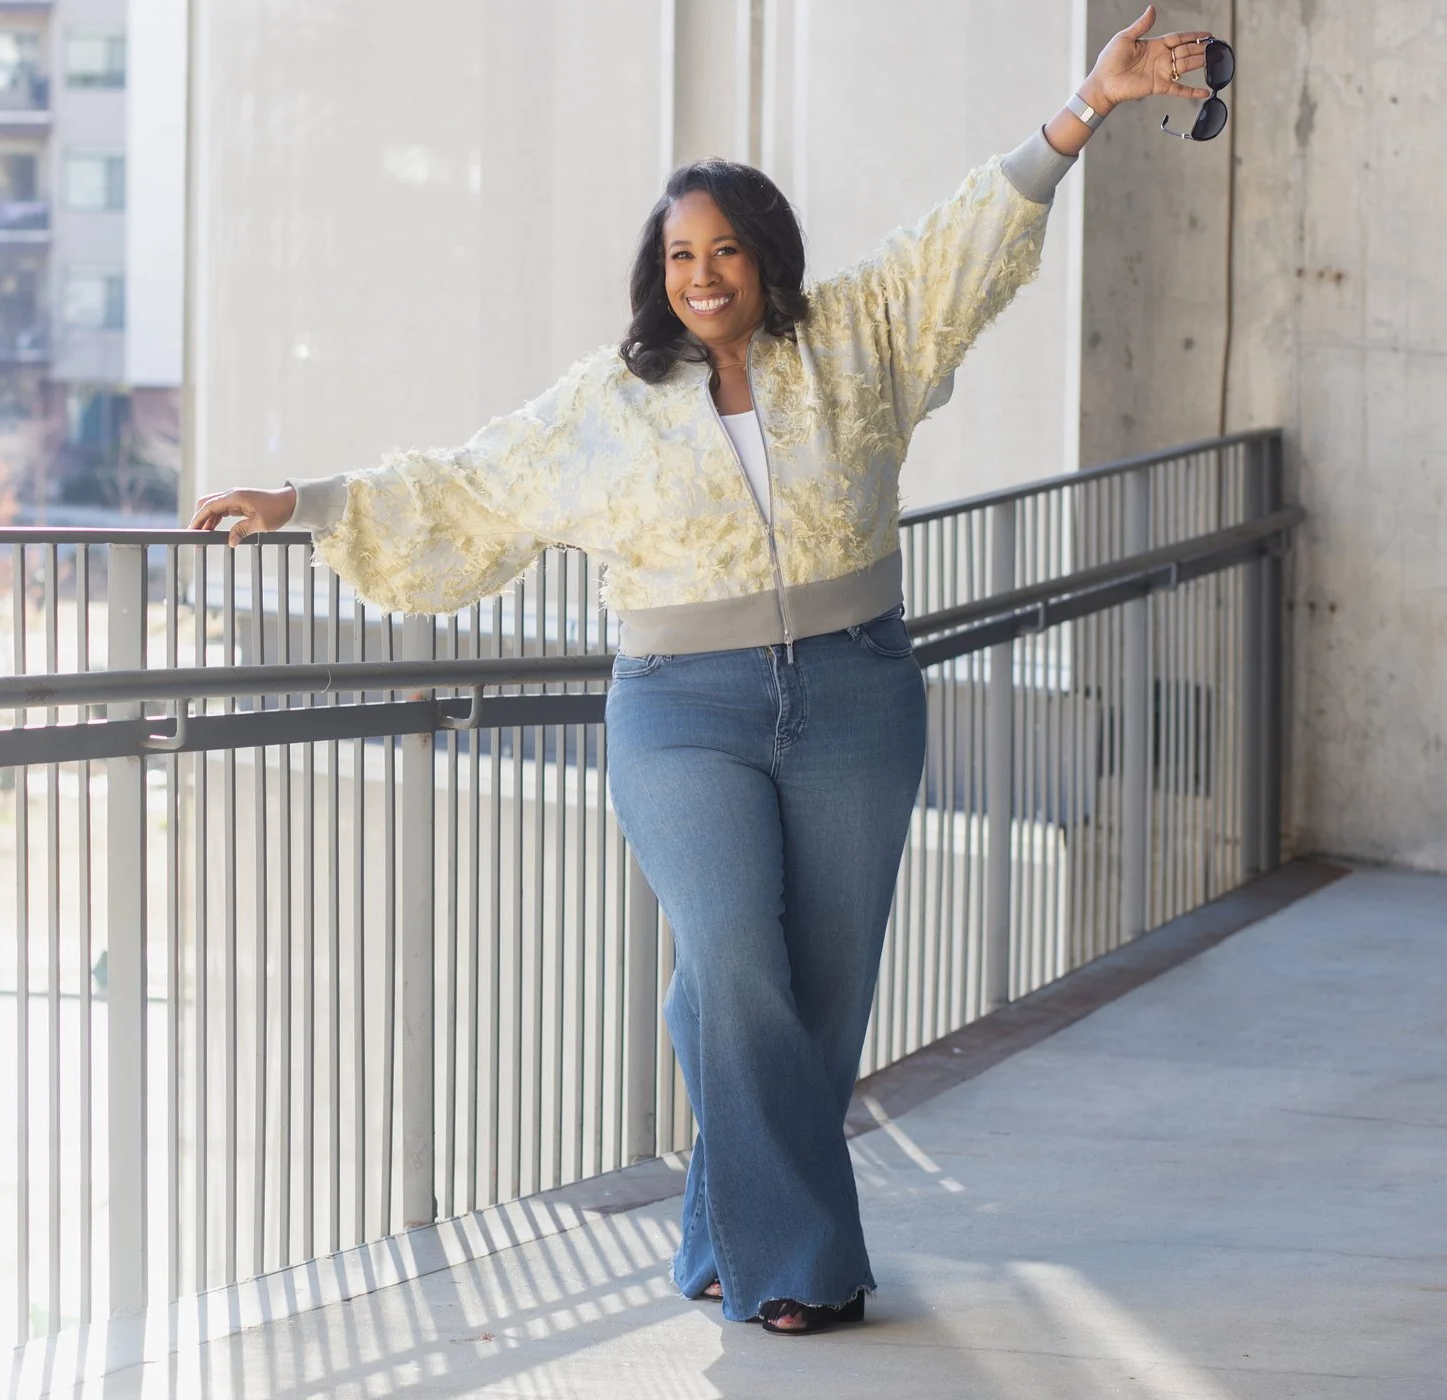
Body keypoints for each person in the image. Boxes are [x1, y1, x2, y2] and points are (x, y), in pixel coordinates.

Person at [193, 6, 1217, 1336]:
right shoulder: (608, 403)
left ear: (766, 256)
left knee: (825, 988)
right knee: (732, 955)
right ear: (657, 271)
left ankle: (727, 1234)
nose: (704, 273)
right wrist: (309, 501)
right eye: (682, 253)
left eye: (727, 247)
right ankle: (803, 1266)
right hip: (683, 713)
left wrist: (1087, 103)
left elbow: (966, 239)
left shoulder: (858, 338)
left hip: (857, 692)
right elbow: (474, 483)